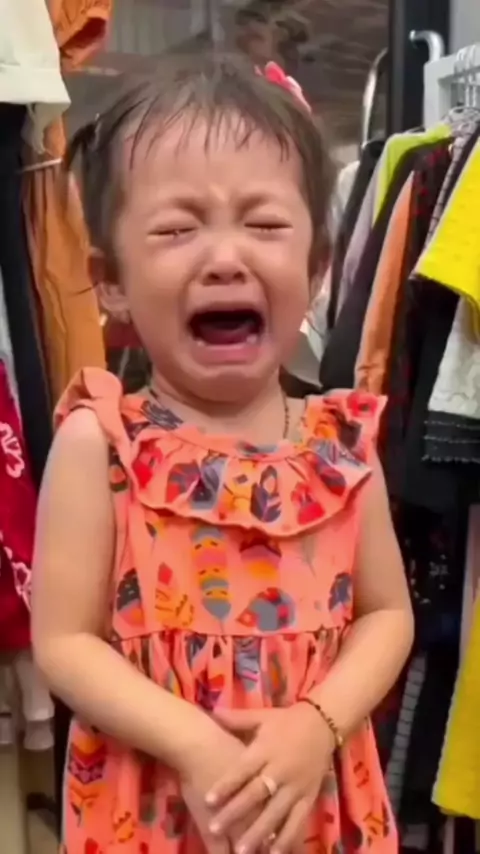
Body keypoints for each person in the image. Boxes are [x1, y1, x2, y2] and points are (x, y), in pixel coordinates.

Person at [31, 51, 413, 854]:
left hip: (316, 800)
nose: (226, 257)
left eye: (264, 224)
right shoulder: (100, 443)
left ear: (316, 269)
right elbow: (63, 641)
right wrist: (195, 743)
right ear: (110, 281)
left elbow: (387, 614)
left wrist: (316, 724)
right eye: (177, 229)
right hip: (152, 804)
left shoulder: (342, 447)